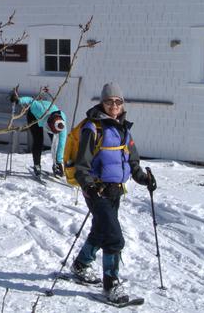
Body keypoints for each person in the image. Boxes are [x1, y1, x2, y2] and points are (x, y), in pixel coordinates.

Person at [69, 82, 157, 304]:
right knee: (113, 237)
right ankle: (110, 286)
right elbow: (82, 165)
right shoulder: (93, 128)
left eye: (118, 101)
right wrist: (89, 187)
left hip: (116, 191)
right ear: (102, 102)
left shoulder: (124, 128)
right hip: (96, 191)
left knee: (101, 231)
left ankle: (80, 265)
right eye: (109, 101)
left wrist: (144, 178)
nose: (114, 105)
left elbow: (132, 161)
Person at [10, 88, 68, 177]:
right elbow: (30, 100)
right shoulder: (39, 108)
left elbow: (61, 144)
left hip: (49, 118)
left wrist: (59, 161)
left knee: (55, 142)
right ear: (49, 124)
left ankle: (56, 165)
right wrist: (18, 100)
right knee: (38, 140)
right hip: (34, 116)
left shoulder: (62, 125)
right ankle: (37, 165)